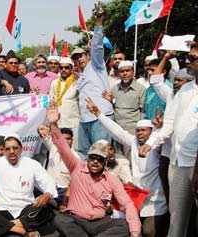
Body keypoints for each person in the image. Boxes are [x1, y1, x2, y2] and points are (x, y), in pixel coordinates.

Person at [45, 105, 141, 237]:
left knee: (124, 226)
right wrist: (53, 124)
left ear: (105, 162)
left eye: (99, 159)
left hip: (99, 222)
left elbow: (127, 203)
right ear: (88, 158)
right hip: (76, 220)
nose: (95, 162)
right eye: (92, 158)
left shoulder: (111, 179)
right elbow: (62, 147)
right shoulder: (76, 167)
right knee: (59, 219)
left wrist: (135, 232)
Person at [86, 98, 168, 236]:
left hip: (156, 201)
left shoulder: (158, 145)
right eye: (138, 131)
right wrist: (99, 114)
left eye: (143, 130)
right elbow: (117, 131)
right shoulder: (134, 143)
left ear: (151, 132)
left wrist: (160, 128)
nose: (140, 133)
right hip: (136, 198)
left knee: (149, 232)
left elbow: (163, 136)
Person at [0, 125, 57, 237]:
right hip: (2, 208)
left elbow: (48, 182)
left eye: (15, 148)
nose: (11, 151)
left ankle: (2, 226)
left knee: (47, 211)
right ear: (5, 150)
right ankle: (21, 230)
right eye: (8, 149)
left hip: (25, 208)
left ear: (21, 149)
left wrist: (47, 194)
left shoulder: (32, 164)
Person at [140, 54, 198, 237]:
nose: (191, 56)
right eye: (190, 52)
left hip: (196, 163)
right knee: (177, 219)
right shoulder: (184, 90)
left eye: (195, 51)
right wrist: (151, 142)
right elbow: (170, 123)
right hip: (178, 161)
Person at [74, 3, 114, 156]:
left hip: (100, 117)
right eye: (75, 58)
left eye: (81, 55)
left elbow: (97, 45)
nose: (79, 59)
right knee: (84, 154)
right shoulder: (81, 75)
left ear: (88, 55)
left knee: (101, 154)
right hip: (85, 119)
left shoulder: (96, 64)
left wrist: (98, 22)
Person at [103, 60, 146, 157]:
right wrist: (110, 101)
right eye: (122, 71)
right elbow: (114, 108)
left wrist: (141, 131)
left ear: (133, 72)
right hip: (117, 128)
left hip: (132, 130)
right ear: (118, 73)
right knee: (118, 157)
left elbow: (143, 111)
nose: (125, 73)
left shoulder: (141, 89)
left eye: (128, 71)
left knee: (132, 157)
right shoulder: (114, 89)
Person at [37, 126, 79, 207]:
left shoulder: (76, 158)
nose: (65, 142)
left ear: (72, 140)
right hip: (49, 188)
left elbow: (75, 181)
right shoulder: (53, 147)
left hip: (64, 191)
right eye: (62, 139)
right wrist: (42, 129)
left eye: (68, 139)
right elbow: (41, 132)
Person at [48, 57, 79, 136]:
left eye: (66, 67)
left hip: (74, 123)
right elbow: (51, 101)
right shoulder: (54, 83)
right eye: (61, 67)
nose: (63, 70)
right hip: (58, 123)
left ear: (71, 69)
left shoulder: (77, 82)